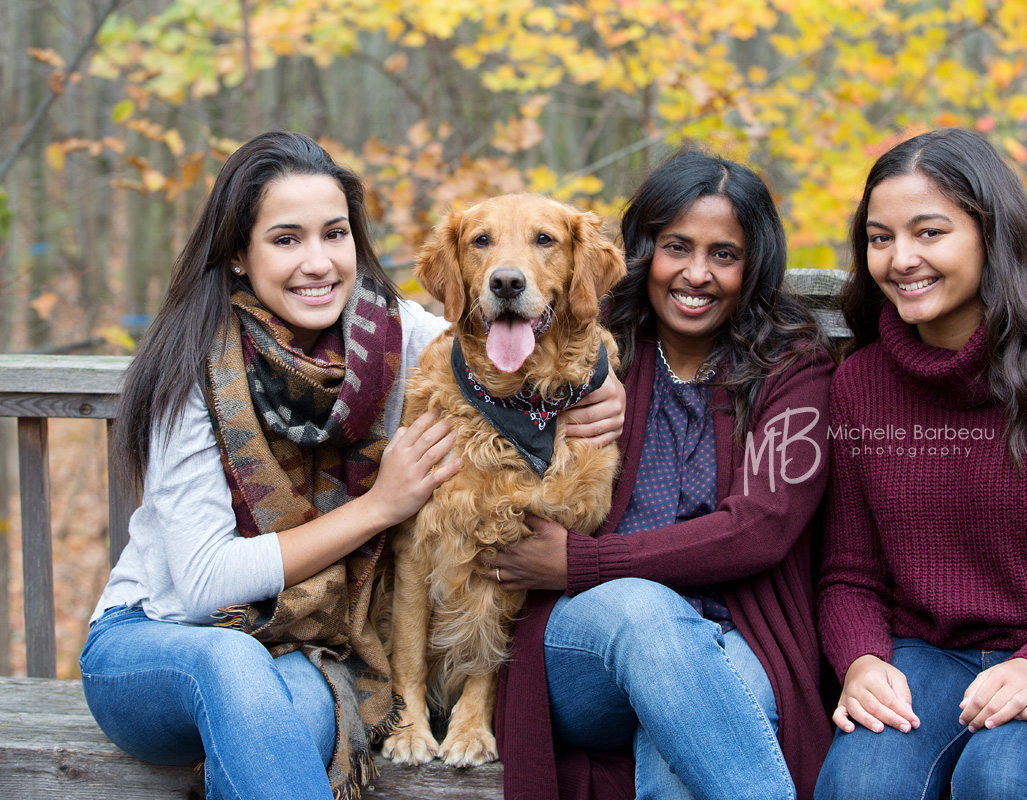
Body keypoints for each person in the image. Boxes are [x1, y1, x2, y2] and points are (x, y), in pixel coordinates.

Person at [79, 131, 624, 800]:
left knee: (296, 720)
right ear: (239, 257)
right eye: (286, 239)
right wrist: (378, 507)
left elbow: (515, 346)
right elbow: (203, 585)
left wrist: (601, 389)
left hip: (304, 650)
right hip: (157, 643)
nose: (318, 262)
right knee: (231, 664)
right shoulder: (191, 369)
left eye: (334, 234)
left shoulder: (399, 337)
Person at [815, 128, 1027, 800]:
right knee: (862, 786)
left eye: (930, 232)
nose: (901, 258)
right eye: (880, 238)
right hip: (927, 655)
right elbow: (848, 574)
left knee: (999, 777)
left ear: (989, 235)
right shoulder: (859, 386)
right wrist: (858, 661)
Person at [488, 149, 836, 800]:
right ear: (646, 248)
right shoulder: (588, 345)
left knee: (688, 720)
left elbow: (757, 530)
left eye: (724, 254)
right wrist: (585, 385)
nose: (696, 274)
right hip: (579, 643)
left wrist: (582, 563)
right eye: (678, 247)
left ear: (753, 264)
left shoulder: (793, 367)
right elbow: (476, 367)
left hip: (736, 635)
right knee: (648, 614)